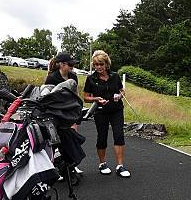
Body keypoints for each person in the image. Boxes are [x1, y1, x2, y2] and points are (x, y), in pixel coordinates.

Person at [83, 50, 130, 178]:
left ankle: (120, 166)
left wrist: (119, 96)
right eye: (96, 65)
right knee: (102, 137)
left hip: (116, 110)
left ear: (106, 64)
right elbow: (86, 97)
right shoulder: (91, 78)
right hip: (101, 111)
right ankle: (102, 164)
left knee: (119, 135)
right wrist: (96, 99)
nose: (99, 67)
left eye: (101, 64)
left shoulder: (115, 76)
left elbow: (122, 91)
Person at [45, 52, 84, 175]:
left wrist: (78, 112)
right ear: (61, 64)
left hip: (70, 112)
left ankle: (72, 164)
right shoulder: (51, 78)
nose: (72, 67)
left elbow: (75, 94)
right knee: (55, 141)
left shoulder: (73, 76)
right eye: (70, 64)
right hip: (56, 114)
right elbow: (47, 98)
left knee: (72, 138)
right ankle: (54, 168)